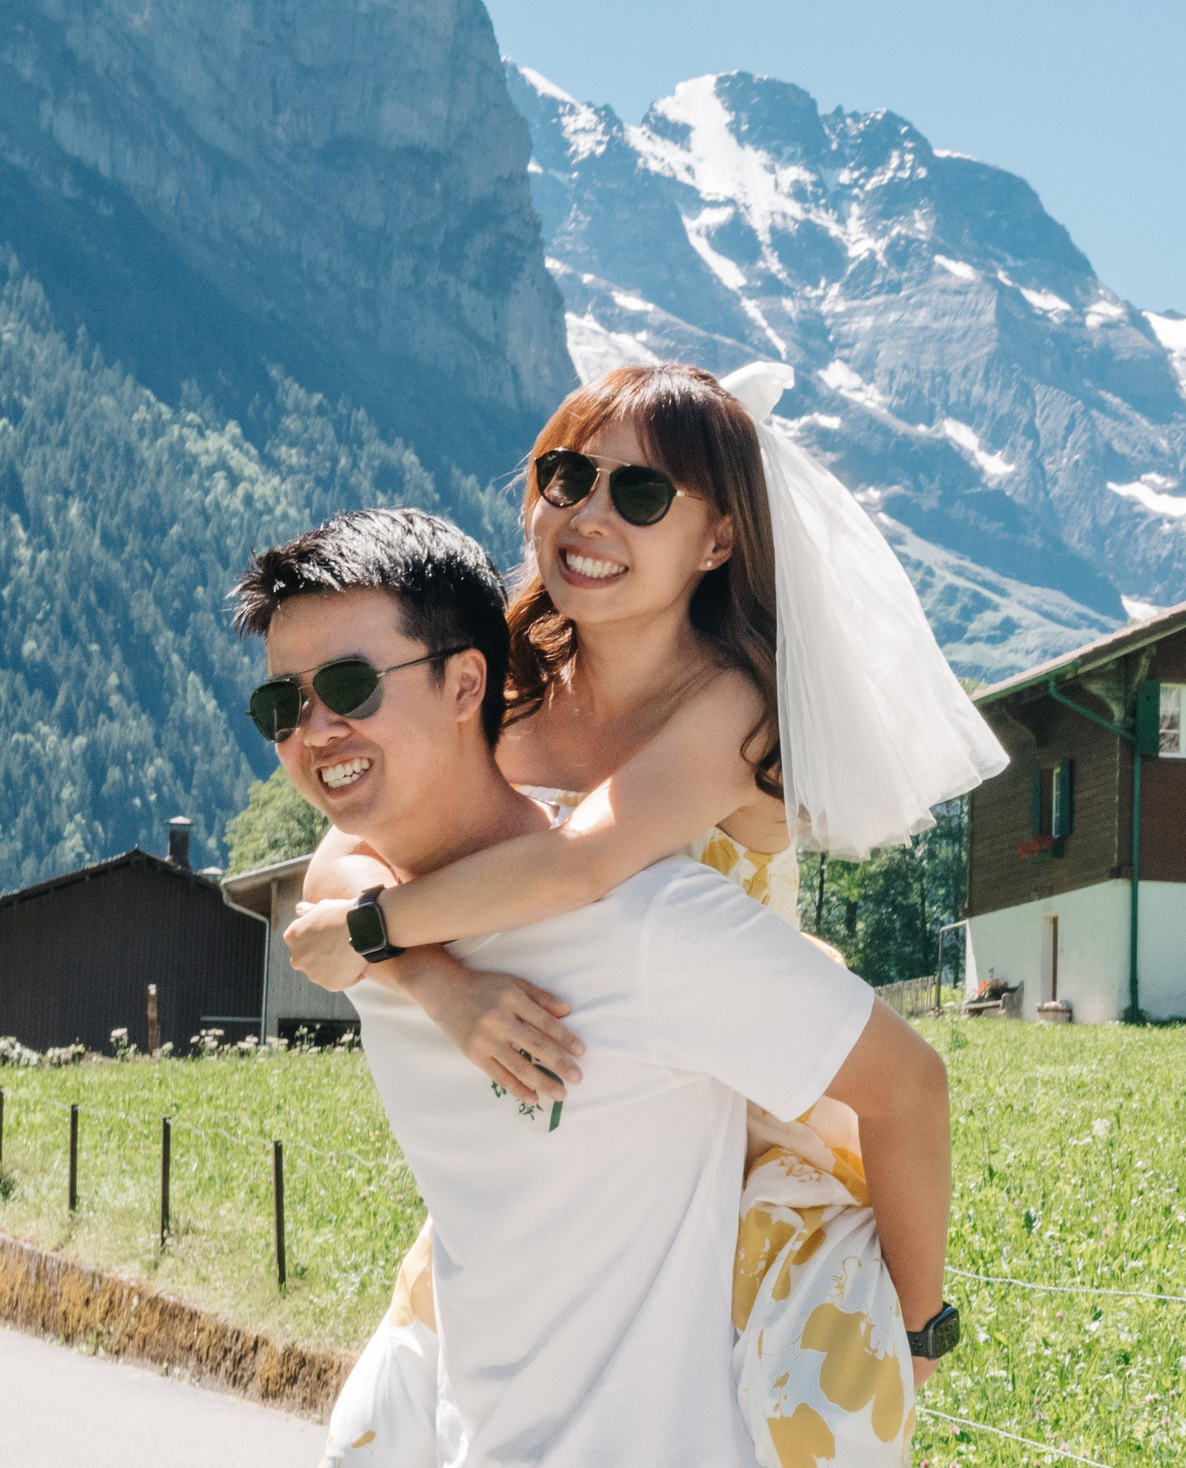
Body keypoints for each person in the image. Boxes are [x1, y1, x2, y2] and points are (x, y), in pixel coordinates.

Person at [275, 363, 1003, 1466]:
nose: (587, 514)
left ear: (717, 541)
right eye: (566, 475)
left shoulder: (726, 703)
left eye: (642, 495)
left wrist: (921, 1316)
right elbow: (343, 853)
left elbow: (577, 869)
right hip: (570, 1123)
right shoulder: (509, 675)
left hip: (741, 1100)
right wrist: (438, 983)